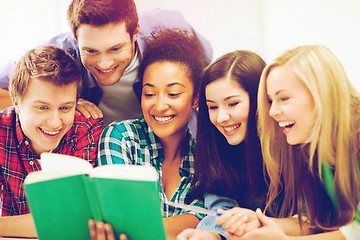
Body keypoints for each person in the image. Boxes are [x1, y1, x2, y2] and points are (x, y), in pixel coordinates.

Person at [218, 45, 360, 239]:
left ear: (321, 94)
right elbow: (317, 220)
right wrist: (260, 224)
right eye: (270, 100)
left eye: (284, 98)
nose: (272, 112)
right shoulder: (311, 144)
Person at [0, 0, 213, 127]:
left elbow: (205, 67)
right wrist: (63, 102)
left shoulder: (168, 26)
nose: (104, 64)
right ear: (75, 37)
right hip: (106, 150)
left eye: (115, 49)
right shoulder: (61, 53)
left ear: (135, 32)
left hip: (174, 138)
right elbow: (6, 84)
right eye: (91, 51)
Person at [92, 28, 207, 240]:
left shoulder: (203, 158)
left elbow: (202, 220)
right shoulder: (120, 137)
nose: (160, 105)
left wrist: (138, 229)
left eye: (173, 93)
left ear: (196, 98)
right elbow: (118, 221)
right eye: (150, 93)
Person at [0, 45, 104, 237]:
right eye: (42, 108)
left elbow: (68, 220)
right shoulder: (2, 131)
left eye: (65, 108)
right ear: (16, 102)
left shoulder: (85, 131)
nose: (55, 122)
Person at [176, 50, 268, 240]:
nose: (221, 118)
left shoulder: (290, 149)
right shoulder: (217, 148)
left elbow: (309, 220)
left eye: (233, 104)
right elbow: (221, 209)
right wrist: (210, 235)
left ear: (261, 99)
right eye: (212, 107)